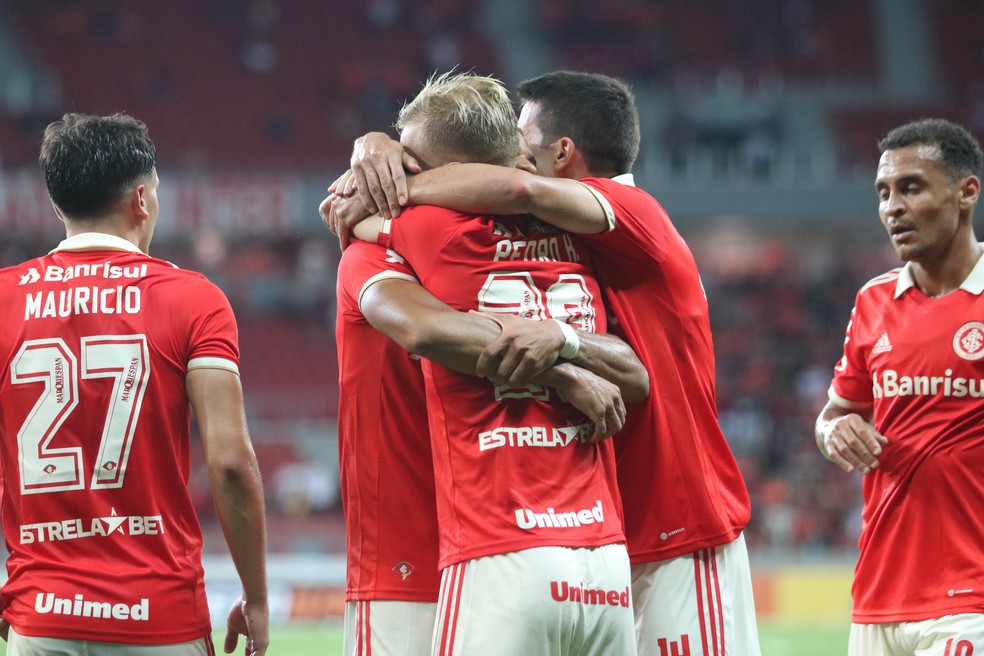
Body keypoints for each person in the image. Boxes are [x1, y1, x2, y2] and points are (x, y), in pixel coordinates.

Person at [331, 70, 759, 655]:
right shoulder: (571, 240)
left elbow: (516, 194)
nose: (518, 160)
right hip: (603, 532)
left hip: (677, 520)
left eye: (523, 143)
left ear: (560, 154)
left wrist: (382, 184)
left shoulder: (629, 210)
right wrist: (373, 153)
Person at [0, 113, 268, 656]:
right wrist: (256, 597)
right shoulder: (194, 299)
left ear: (58, 206)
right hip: (159, 614)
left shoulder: (4, 299)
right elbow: (231, 464)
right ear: (142, 199)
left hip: (43, 615)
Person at [815, 118, 984, 655]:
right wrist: (836, 433)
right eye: (884, 193)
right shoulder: (873, 301)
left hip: (971, 595)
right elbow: (834, 416)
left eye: (912, 187)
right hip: (878, 596)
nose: (893, 207)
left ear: (966, 192)